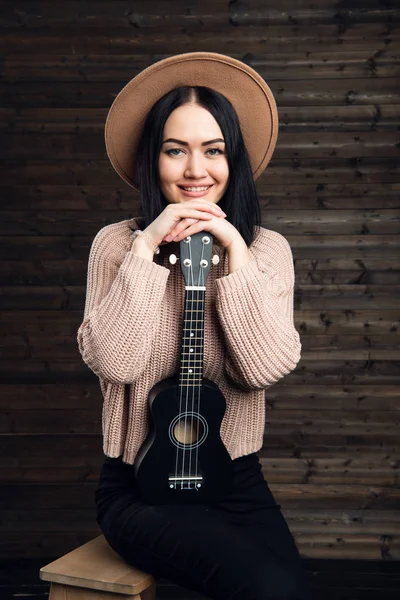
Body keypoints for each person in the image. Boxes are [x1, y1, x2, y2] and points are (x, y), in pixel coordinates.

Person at [77, 52, 314, 600]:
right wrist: (145, 250)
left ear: (234, 161)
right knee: (265, 586)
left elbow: (263, 368)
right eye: (174, 150)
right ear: (151, 159)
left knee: (293, 593)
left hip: (235, 479)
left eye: (213, 150)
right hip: (138, 486)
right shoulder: (117, 246)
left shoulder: (266, 250)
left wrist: (236, 253)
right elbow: (115, 361)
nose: (194, 170)